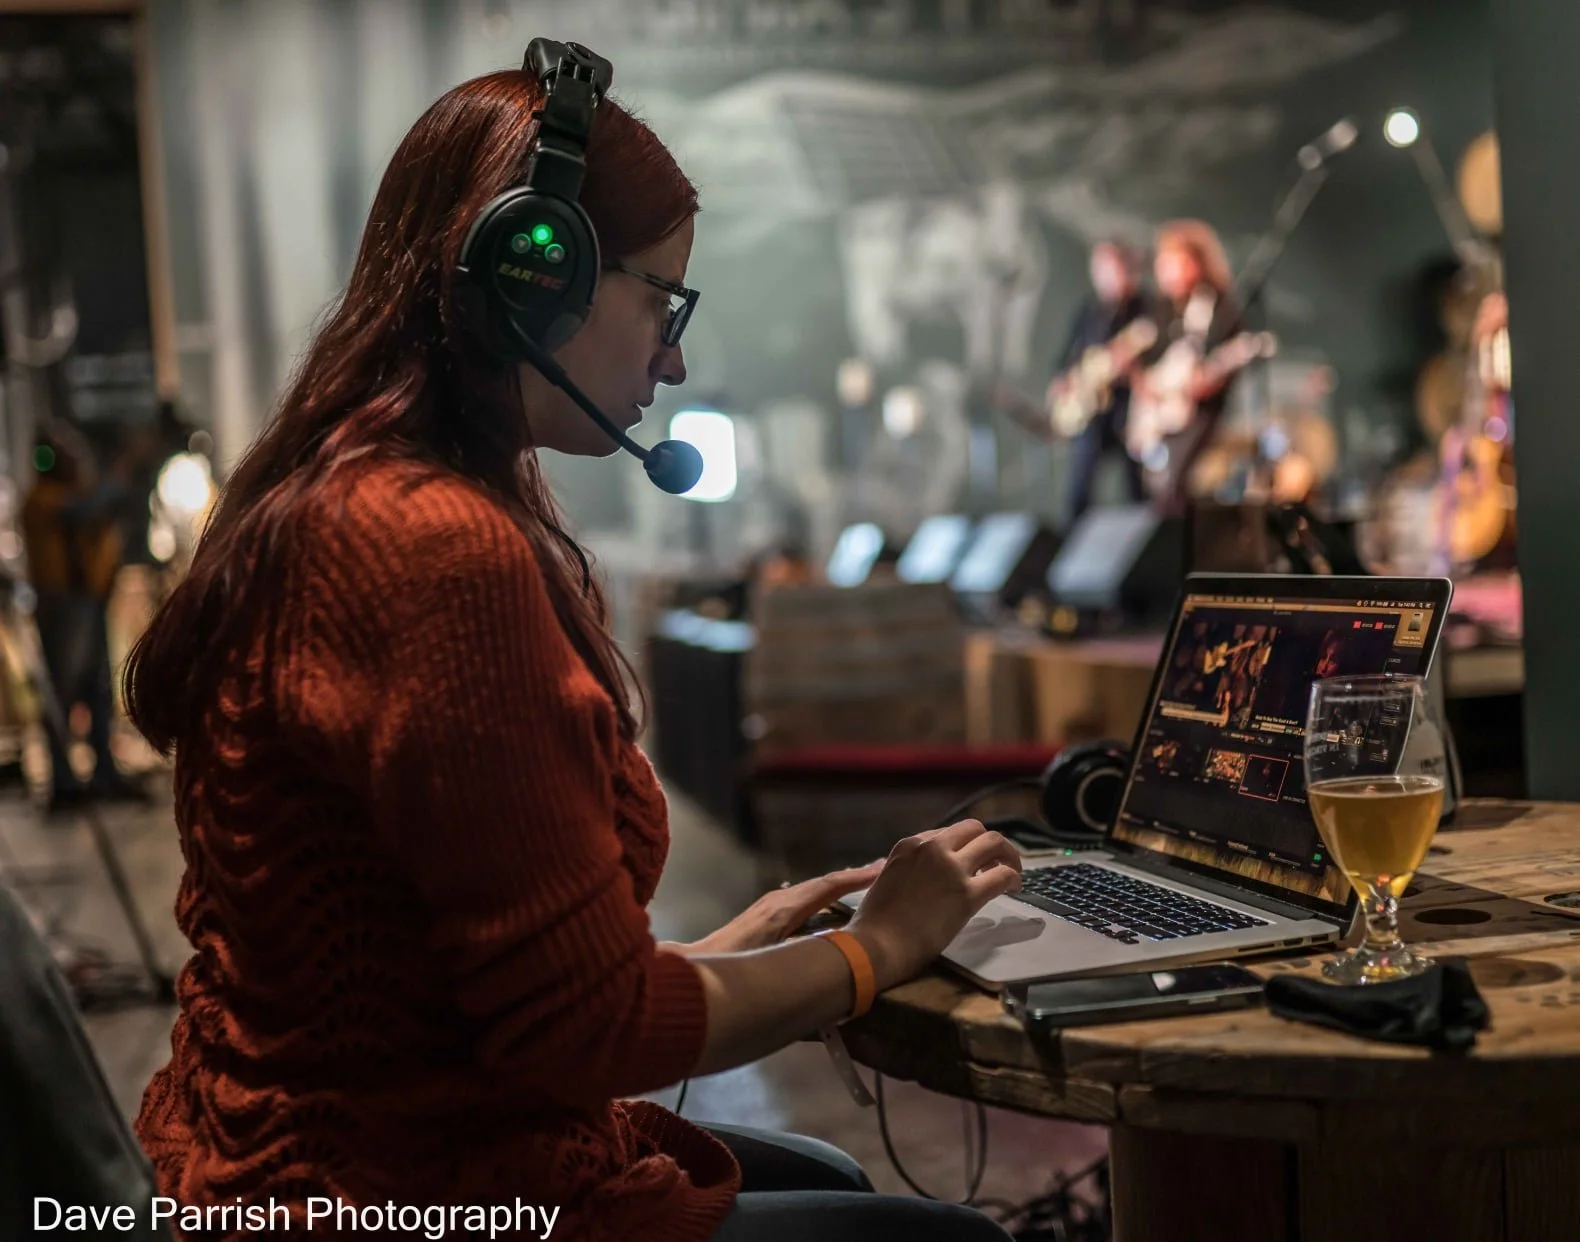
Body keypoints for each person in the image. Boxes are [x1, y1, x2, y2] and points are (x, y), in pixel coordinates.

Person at [125, 58, 1021, 1242]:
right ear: (528, 281)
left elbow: (450, 985)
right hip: (397, 1195)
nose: (673, 360)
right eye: (663, 306)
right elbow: (579, 1036)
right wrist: (878, 949)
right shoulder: (436, 551)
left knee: (836, 1188)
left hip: (305, 1169)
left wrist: (712, 961)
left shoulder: (344, 497)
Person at [19, 424, 150, 812]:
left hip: (87, 603)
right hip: (64, 606)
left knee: (97, 691)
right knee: (62, 693)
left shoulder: (69, 496)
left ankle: (103, 773)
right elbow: (87, 511)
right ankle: (64, 781)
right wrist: (123, 470)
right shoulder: (42, 500)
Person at [1133, 219, 1242, 515]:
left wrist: (1207, 382)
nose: (1165, 271)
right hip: (1163, 413)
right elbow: (1146, 358)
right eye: (1163, 263)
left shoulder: (1217, 306)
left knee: (1176, 482)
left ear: (1196, 262)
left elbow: (1229, 358)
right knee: (1152, 484)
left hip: (1200, 411)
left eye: (1174, 263)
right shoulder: (1163, 309)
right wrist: (1144, 385)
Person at [1055, 239, 1154, 523]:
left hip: (1128, 410)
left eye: (1111, 268)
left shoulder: (1145, 309)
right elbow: (1068, 355)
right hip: (1091, 412)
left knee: (1136, 487)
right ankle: (1073, 545)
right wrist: (1063, 381)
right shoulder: (1090, 310)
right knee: (1080, 487)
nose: (1105, 277)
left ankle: (1143, 546)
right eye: (1099, 269)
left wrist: (1131, 367)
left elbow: (1156, 350)